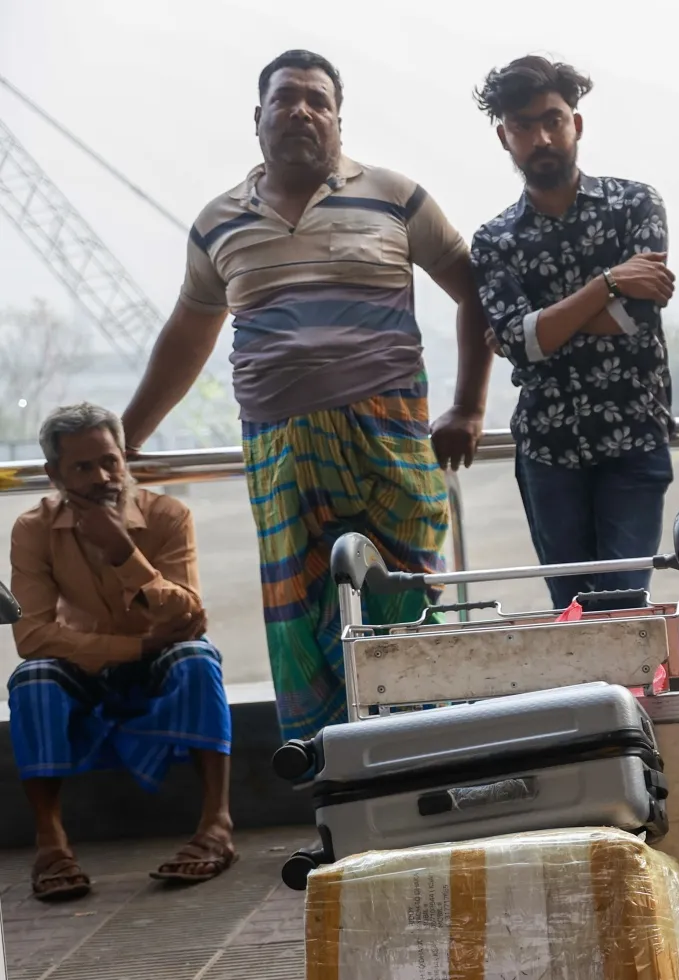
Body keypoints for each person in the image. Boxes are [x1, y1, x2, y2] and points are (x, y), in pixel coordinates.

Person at [120, 49, 491, 742]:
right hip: (280, 451)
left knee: (406, 605)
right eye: (285, 98)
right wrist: (127, 437)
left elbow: (474, 290)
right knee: (300, 618)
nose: (301, 110)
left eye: (317, 100)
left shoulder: (394, 195)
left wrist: (470, 406)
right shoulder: (218, 223)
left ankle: (432, 762)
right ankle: (335, 780)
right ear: (256, 118)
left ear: (338, 121)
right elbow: (188, 334)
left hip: (391, 444)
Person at [470, 56, 676, 612]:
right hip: (549, 453)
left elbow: (638, 317)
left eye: (552, 120)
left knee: (623, 608)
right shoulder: (493, 241)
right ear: (503, 137)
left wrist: (541, 325)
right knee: (574, 619)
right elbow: (521, 341)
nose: (541, 137)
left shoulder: (635, 205)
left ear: (576, 125)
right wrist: (607, 282)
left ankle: (629, 704)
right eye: (523, 126)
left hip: (633, 440)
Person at [9, 405, 235, 903]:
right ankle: (51, 842)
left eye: (110, 461)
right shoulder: (33, 529)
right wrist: (135, 644)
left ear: (125, 458)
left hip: (160, 663)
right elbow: (33, 637)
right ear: (54, 475)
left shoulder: (167, 516)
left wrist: (123, 554)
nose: (103, 478)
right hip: (89, 666)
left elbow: (188, 616)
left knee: (198, 659)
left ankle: (217, 825)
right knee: (33, 678)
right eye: (83, 468)